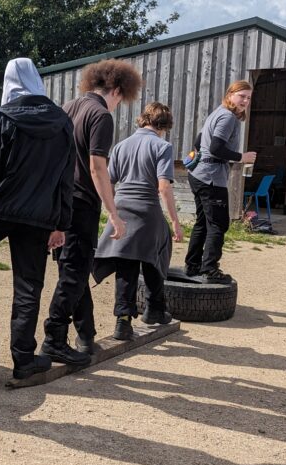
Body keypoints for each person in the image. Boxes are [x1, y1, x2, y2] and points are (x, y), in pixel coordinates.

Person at [0, 58, 76, 379]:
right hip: (40, 217)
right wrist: (61, 223)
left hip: (3, 208)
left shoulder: (4, 116)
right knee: (28, 285)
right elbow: (67, 179)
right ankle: (24, 359)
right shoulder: (63, 122)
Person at [42, 59, 142, 361]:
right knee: (74, 274)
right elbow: (98, 167)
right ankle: (54, 337)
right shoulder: (100, 115)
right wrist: (113, 212)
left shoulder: (67, 107)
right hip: (82, 203)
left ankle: (86, 336)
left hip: (58, 201)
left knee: (74, 269)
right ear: (118, 90)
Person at [92, 102, 184, 339]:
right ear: (164, 125)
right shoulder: (162, 146)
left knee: (126, 264)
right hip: (147, 209)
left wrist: (112, 210)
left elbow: (108, 181)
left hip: (121, 208)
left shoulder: (121, 146)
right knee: (155, 257)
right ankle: (155, 308)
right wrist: (174, 221)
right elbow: (163, 187)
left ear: (144, 119)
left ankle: (123, 320)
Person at [184, 80, 257, 283]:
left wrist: (202, 155)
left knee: (203, 222)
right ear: (230, 94)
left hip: (198, 174)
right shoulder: (228, 118)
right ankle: (210, 270)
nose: (245, 101)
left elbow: (199, 141)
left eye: (248, 98)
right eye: (241, 96)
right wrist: (242, 157)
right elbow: (216, 147)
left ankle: (193, 266)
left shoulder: (218, 113)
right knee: (218, 223)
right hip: (211, 178)